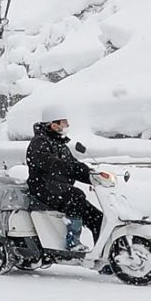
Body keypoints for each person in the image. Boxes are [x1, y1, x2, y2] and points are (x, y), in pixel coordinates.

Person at [25, 106, 105, 253]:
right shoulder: (39, 143)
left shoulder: (60, 145)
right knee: (76, 195)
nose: (67, 125)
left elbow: (73, 165)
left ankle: (104, 255)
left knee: (97, 217)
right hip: (43, 187)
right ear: (53, 125)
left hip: (59, 188)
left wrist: (92, 175)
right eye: (64, 122)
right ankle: (72, 242)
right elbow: (53, 164)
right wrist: (73, 169)